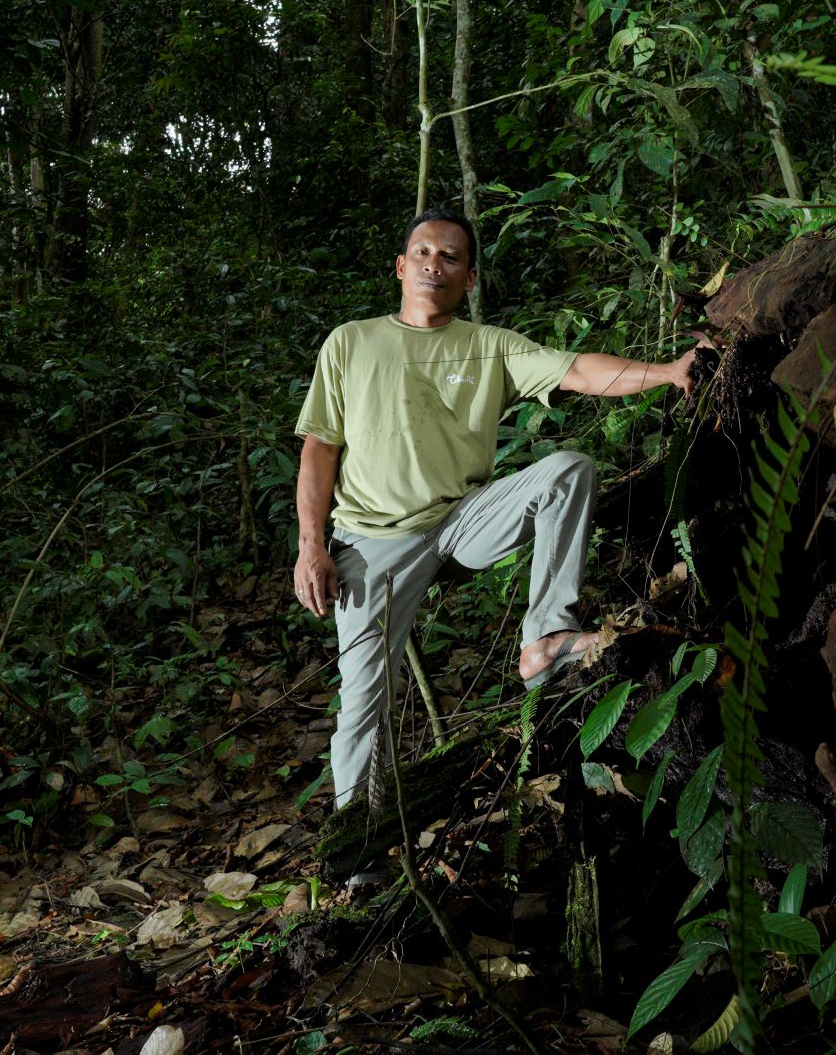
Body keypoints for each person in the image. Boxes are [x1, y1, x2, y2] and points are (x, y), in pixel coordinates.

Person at [292, 208, 699, 814]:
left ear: (470, 278)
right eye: (424, 254)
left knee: (567, 470)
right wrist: (311, 544)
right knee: (366, 699)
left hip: (462, 522)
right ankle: (357, 846)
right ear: (401, 268)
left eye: (451, 257)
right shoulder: (353, 342)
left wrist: (669, 372)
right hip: (373, 540)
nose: (436, 265)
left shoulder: (489, 347)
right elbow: (320, 448)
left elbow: (580, 370)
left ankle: (546, 637)